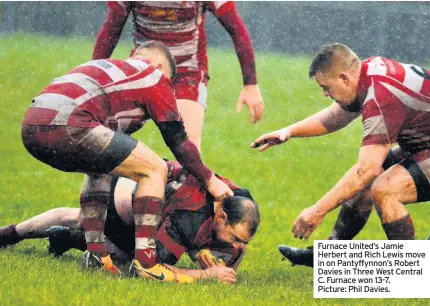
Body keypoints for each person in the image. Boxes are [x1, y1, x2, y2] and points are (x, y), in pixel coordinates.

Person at [21, 41, 233, 277]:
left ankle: (97, 255)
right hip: (69, 122)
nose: (168, 88)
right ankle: (147, 265)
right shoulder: (153, 75)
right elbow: (178, 140)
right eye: (169, 81)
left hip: (31, 126)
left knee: (101, 167)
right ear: (159, 65)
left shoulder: (112, 69)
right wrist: (210, 180)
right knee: (154, 169)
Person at [251, 43, 430, 242]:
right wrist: (289, 131)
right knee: (365, 181)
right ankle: (331, 251)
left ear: (344, 78)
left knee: (384, 189)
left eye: (326, 87)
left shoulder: (380, 96)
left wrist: (317, 210)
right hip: (422, 147)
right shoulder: (370, 71)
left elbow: (366, 170)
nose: (325, 94)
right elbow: (336, 117)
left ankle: (411, 270)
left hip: (423, 148)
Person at [0, 161, 260, 283]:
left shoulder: (237, 198)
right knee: (89, 226)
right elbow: (149, 271)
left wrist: (218, 249)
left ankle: (63, 238)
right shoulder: (190, 217)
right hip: (118, 196)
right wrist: (206, 274)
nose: (236, 246)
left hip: (138, 186)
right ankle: (15, 234)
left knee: (91, 229)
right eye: (235, 238)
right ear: (221, 217)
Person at [92, 1, 264, 150]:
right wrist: (93, 78)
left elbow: (236, 29)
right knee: (106, 143)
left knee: (188, 147)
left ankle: (192, 185)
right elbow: (111, 29)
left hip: (187, 72)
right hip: (141, 70)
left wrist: (251, 84)